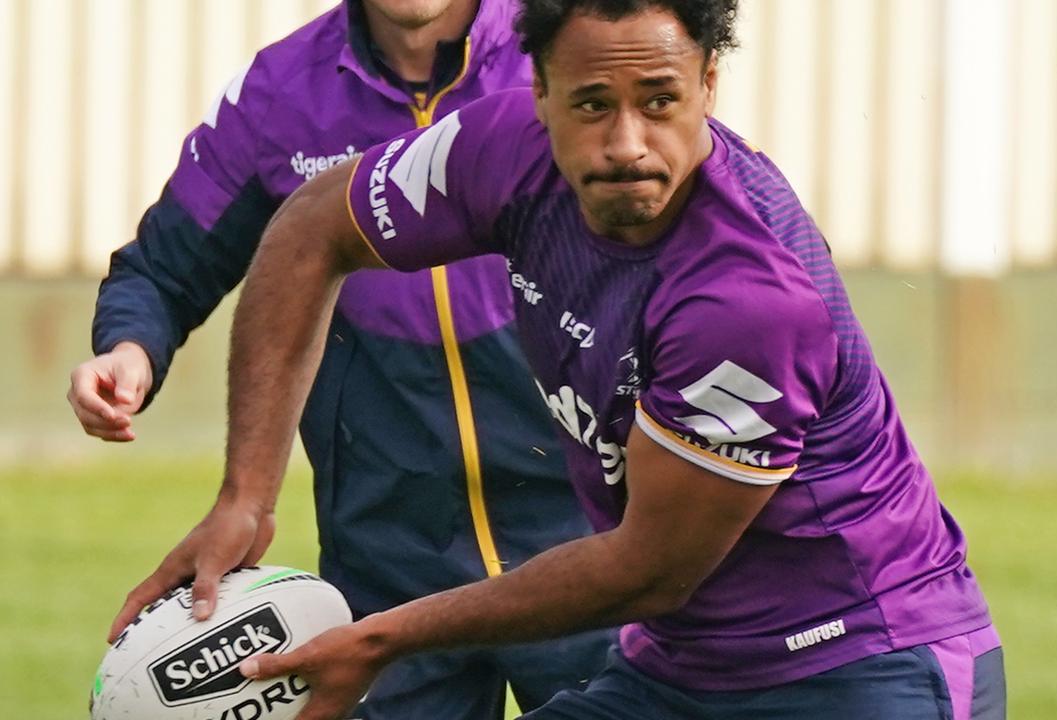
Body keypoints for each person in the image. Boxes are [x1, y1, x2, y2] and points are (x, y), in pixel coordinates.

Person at [137, 0, 1008, 717]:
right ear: (541, 93)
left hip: (859, 667)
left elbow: (649, 568)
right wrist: (244, 500)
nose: (625, 142)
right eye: (591, 104)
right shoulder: (503, 148)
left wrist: (378, 637)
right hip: (682, 669)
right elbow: (311, 227)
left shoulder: (749, 299)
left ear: (709, 84)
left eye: (660, 100)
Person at [69, 1, 613, 717]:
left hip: (590, 544)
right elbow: (164, 268)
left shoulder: (567, 52)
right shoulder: (278, 93)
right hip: (388, 558)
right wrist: (129, 348)